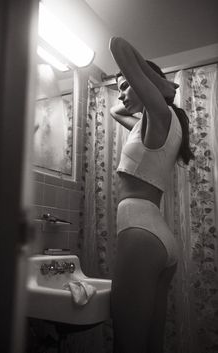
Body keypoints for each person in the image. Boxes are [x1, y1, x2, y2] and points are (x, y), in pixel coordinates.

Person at [109, 37, 194, 353]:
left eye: (126, 84)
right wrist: (137, 89)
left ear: (144, 83)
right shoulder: (149, 123)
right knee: (150, 346)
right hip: (156, 236)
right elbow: (115, 110)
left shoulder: (159, 115)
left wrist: (158, 83)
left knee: (127, 345)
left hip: (141, 234)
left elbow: (117, 44)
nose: (121, 92)